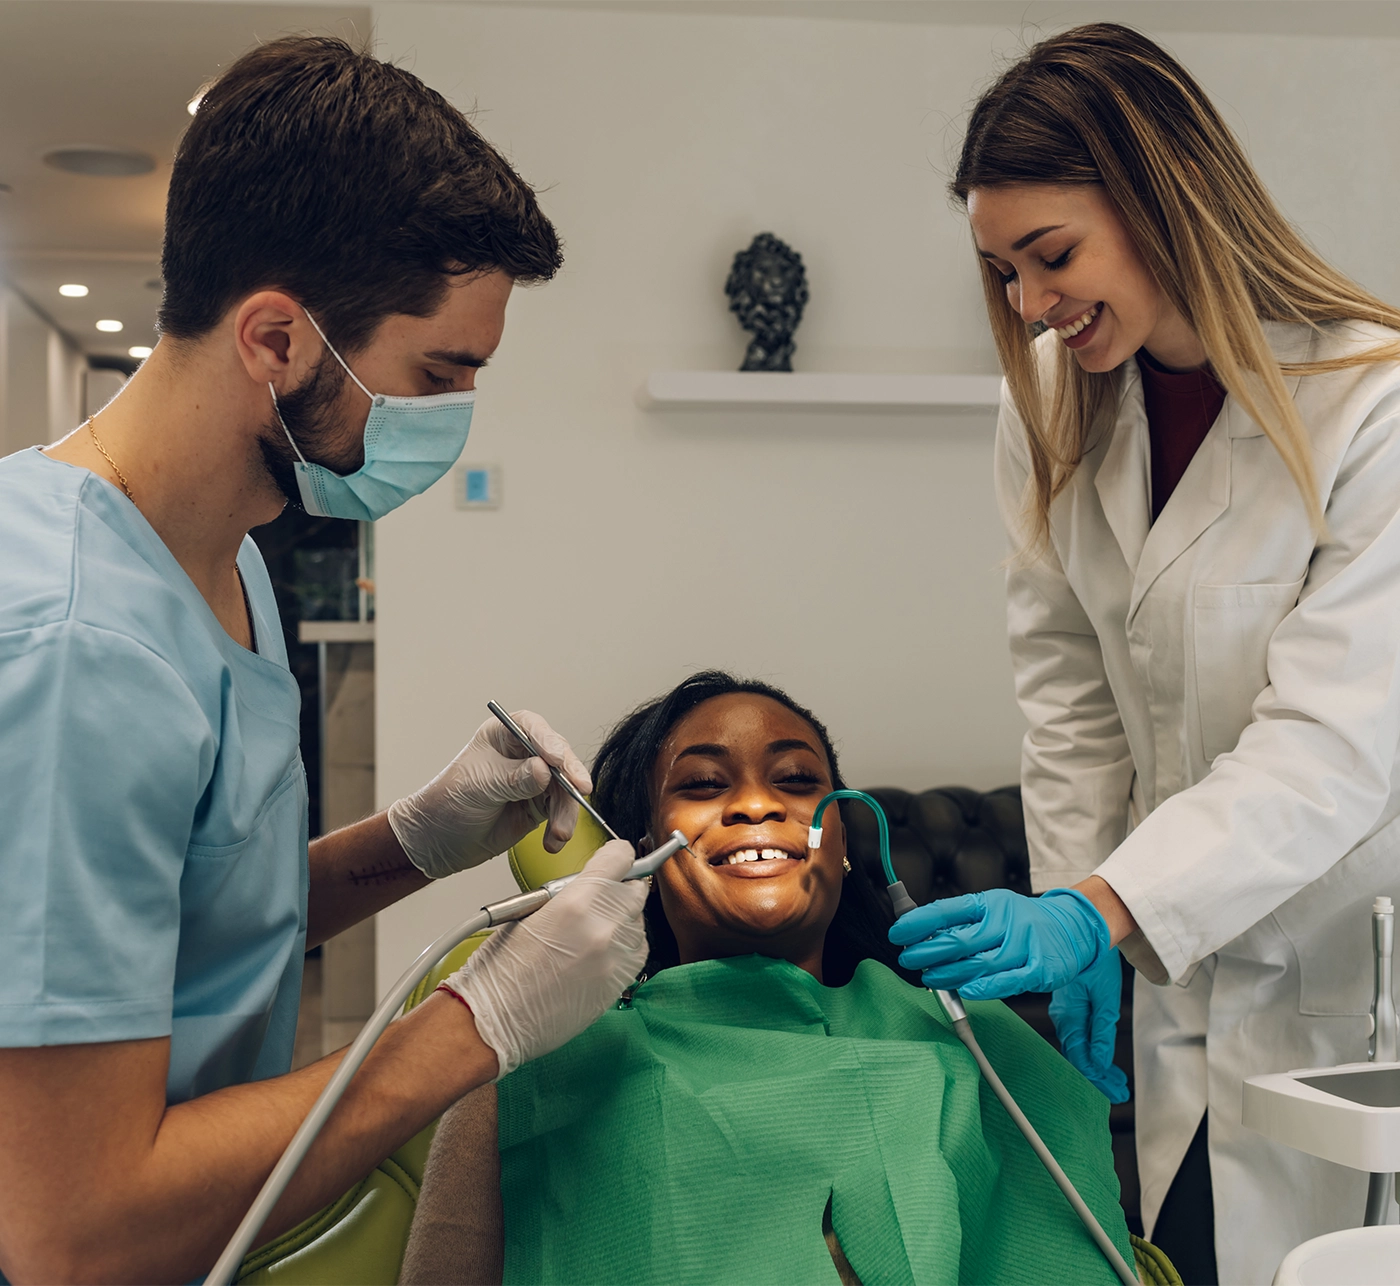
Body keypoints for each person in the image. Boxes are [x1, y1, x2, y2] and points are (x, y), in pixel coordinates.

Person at [0, 38, 650, 1285]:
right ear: (277, 339)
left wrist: (413, 840)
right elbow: (71, 1231)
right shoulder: (73, 646)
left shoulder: (227, 555)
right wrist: (476, 1023)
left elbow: (191, 928)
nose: (454, 419)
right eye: (438, 373)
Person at [889, 23, 1400, 1285]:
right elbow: (1069, 705)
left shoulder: (1372, 403)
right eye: (1000, 271)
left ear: (1162, 199)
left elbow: (1331, 746)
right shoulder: (1049, 405)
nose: (1027, 305)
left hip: (1355, 980)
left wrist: (1104, 904)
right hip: (1180, 987)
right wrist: (1090, 926)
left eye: (1049, 256)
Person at [400, 672, 1136, 1286]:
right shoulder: (539, 1063)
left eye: (794, 779)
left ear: (843, 842)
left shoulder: (971, 1043)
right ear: (645, 847)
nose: (757, 804)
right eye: (704, 783)